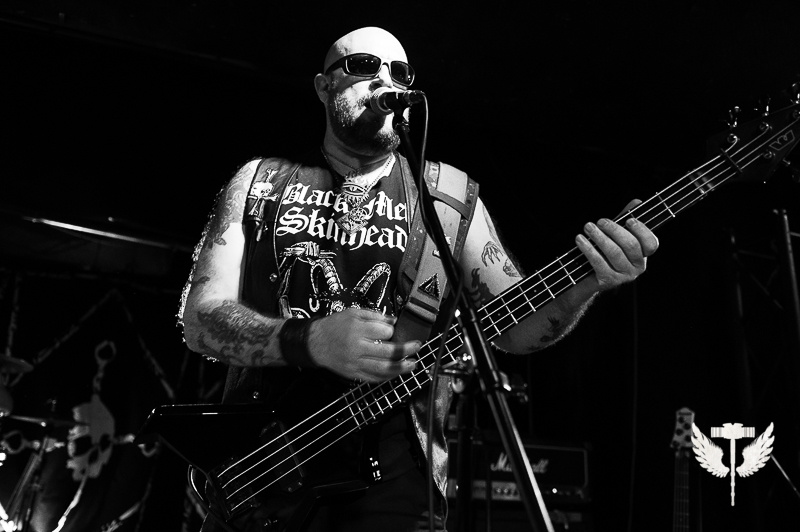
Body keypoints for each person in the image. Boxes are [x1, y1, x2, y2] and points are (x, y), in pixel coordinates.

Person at [179, 26, 658, 532]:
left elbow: (518, 329)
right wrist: (310, 340)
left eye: (400, 73)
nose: (385, 80)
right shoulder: (261, 181)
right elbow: (200, 320)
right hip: (264, 478)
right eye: (364, 65)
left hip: (399, 494)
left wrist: (588, 281)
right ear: (323, 86)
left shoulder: (449, 200)